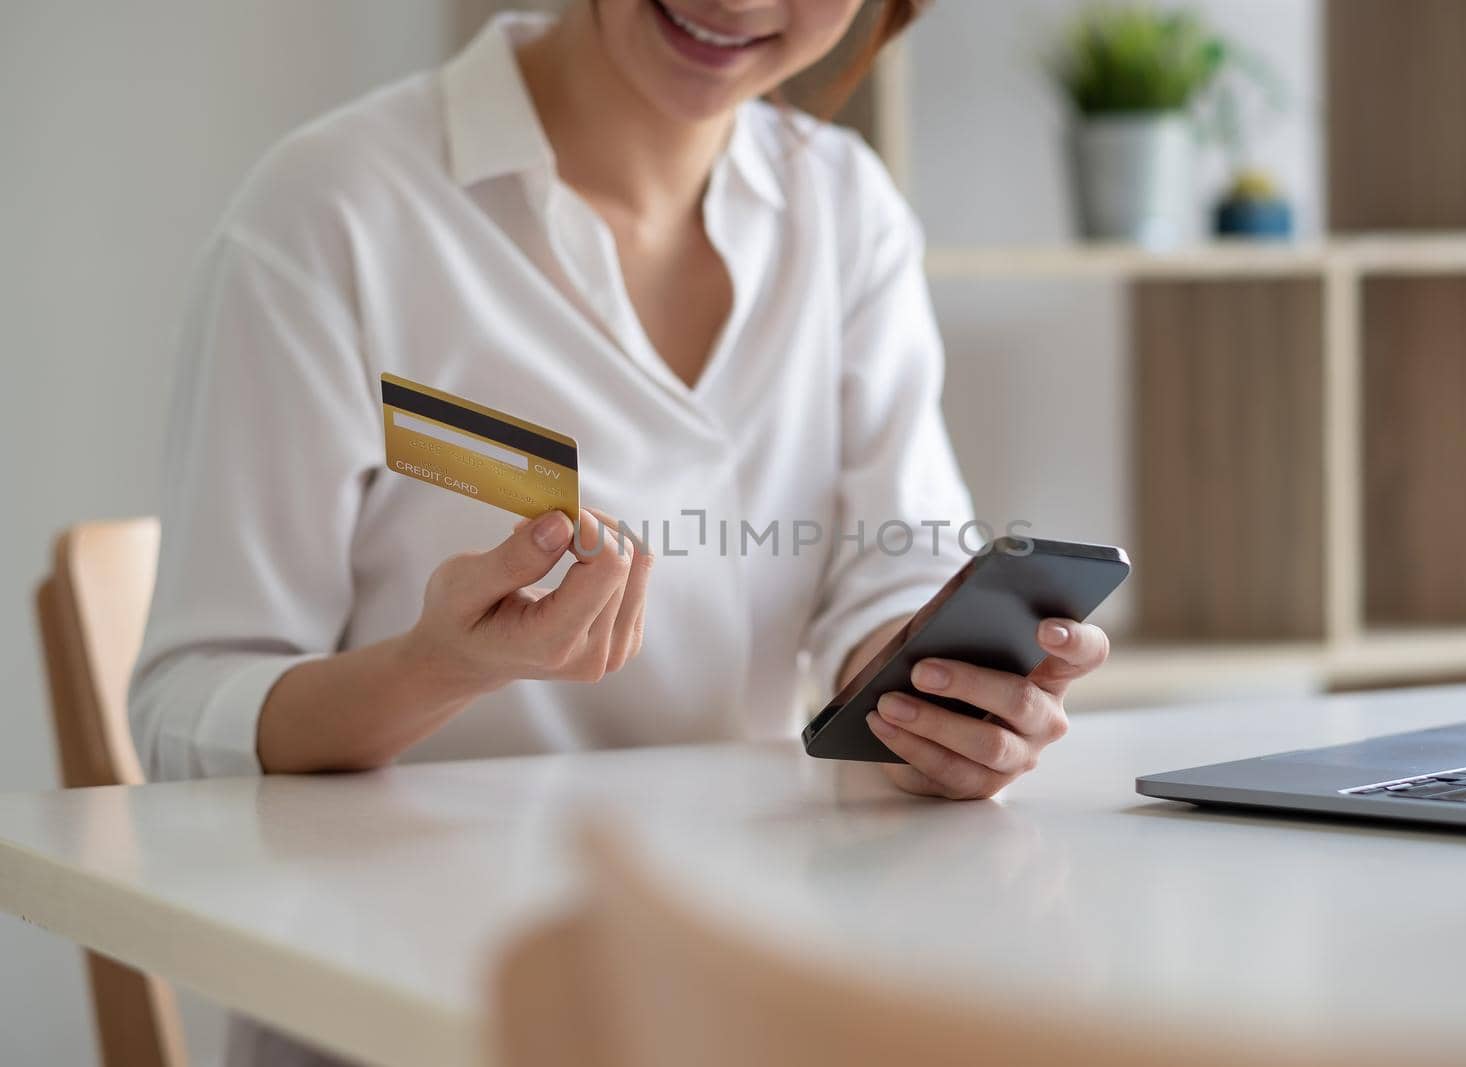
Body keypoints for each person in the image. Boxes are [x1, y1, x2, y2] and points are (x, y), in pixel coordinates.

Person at [131, 2, 1110, 1061]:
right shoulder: (331, 210)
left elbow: (894, 570)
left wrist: (942, 695)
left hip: (735, 970)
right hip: (404, 1000)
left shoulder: (845, 208)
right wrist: (435, 667)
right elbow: (186, 706)